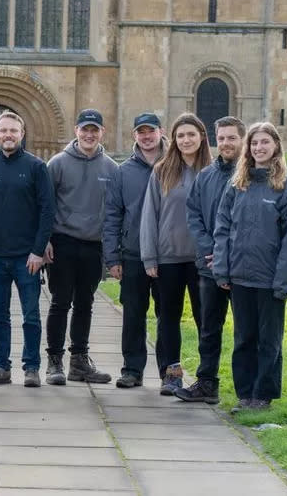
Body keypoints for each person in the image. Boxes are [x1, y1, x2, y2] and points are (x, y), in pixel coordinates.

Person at [213, 122, 287, 413]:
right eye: (254, 143)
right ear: (248, 149)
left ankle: (263, 396)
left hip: (270, 279)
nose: (259, 148)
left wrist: (283, 281)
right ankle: (245, 395)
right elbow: (223, 228)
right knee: (244, 339)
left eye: (265, 142)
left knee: (269, 341)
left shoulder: (286, 186)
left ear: (275, 146)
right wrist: (222, 270)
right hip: (239, 277)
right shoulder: (237, 184)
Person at [0, 110, 55, 388]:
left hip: (27, 256)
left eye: (13, 131)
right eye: (3, 131)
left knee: (30, 315)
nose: (8, 135)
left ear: (22, 134)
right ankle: (0, 367)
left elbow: (47, 211)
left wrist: (38, 250)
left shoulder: (36, 167)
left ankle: (31, 368)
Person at [44, 109, 118, 385]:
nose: (89, 134)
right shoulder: (57, 163)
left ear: (102, 133)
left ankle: (79, 362)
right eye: (85, 129)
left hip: (93, 245)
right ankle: (54, 362)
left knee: (85, 304)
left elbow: (115, 211)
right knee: (60, 302)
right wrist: (45, 241)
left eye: (94, 130)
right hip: (62, 242)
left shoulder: (111, 168)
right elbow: (46, 206)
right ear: (76, 130)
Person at [140, 113, 211, 395]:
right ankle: (172, 374)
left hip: (202, 260)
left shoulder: (213, 171)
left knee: (204, 319)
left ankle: (206, 378)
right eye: (180, 135)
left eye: (191, 134)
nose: (185, 140)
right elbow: (149, 216)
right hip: (168, 258)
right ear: (174, 139)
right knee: (168, 318)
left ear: (202, 137)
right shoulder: (162, 171)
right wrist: (149, 257)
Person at [176, 116, 245, 404]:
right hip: (209, 265)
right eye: (222, 137)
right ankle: (207, 384)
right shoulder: (206, 176)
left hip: (242, 268)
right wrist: (211, 249)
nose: (227, 143)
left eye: (232, 138)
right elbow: (194, 215)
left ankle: (248, 392)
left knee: (245, 332)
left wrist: (227, 252)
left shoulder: (251, 175)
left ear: (243, 140)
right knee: (208, 327)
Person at [103, 113, 166, 389]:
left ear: (161, 132)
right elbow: (112, 216)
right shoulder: (123, 171)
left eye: (150, 131)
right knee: (133, 314)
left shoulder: (174, 166)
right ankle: (132, 369)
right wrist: (112, 257)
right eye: (141, 132)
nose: (146, 136)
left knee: (168, 315)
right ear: (135, 136)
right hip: (133, 253)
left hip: (168, 255)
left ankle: (169, 372)